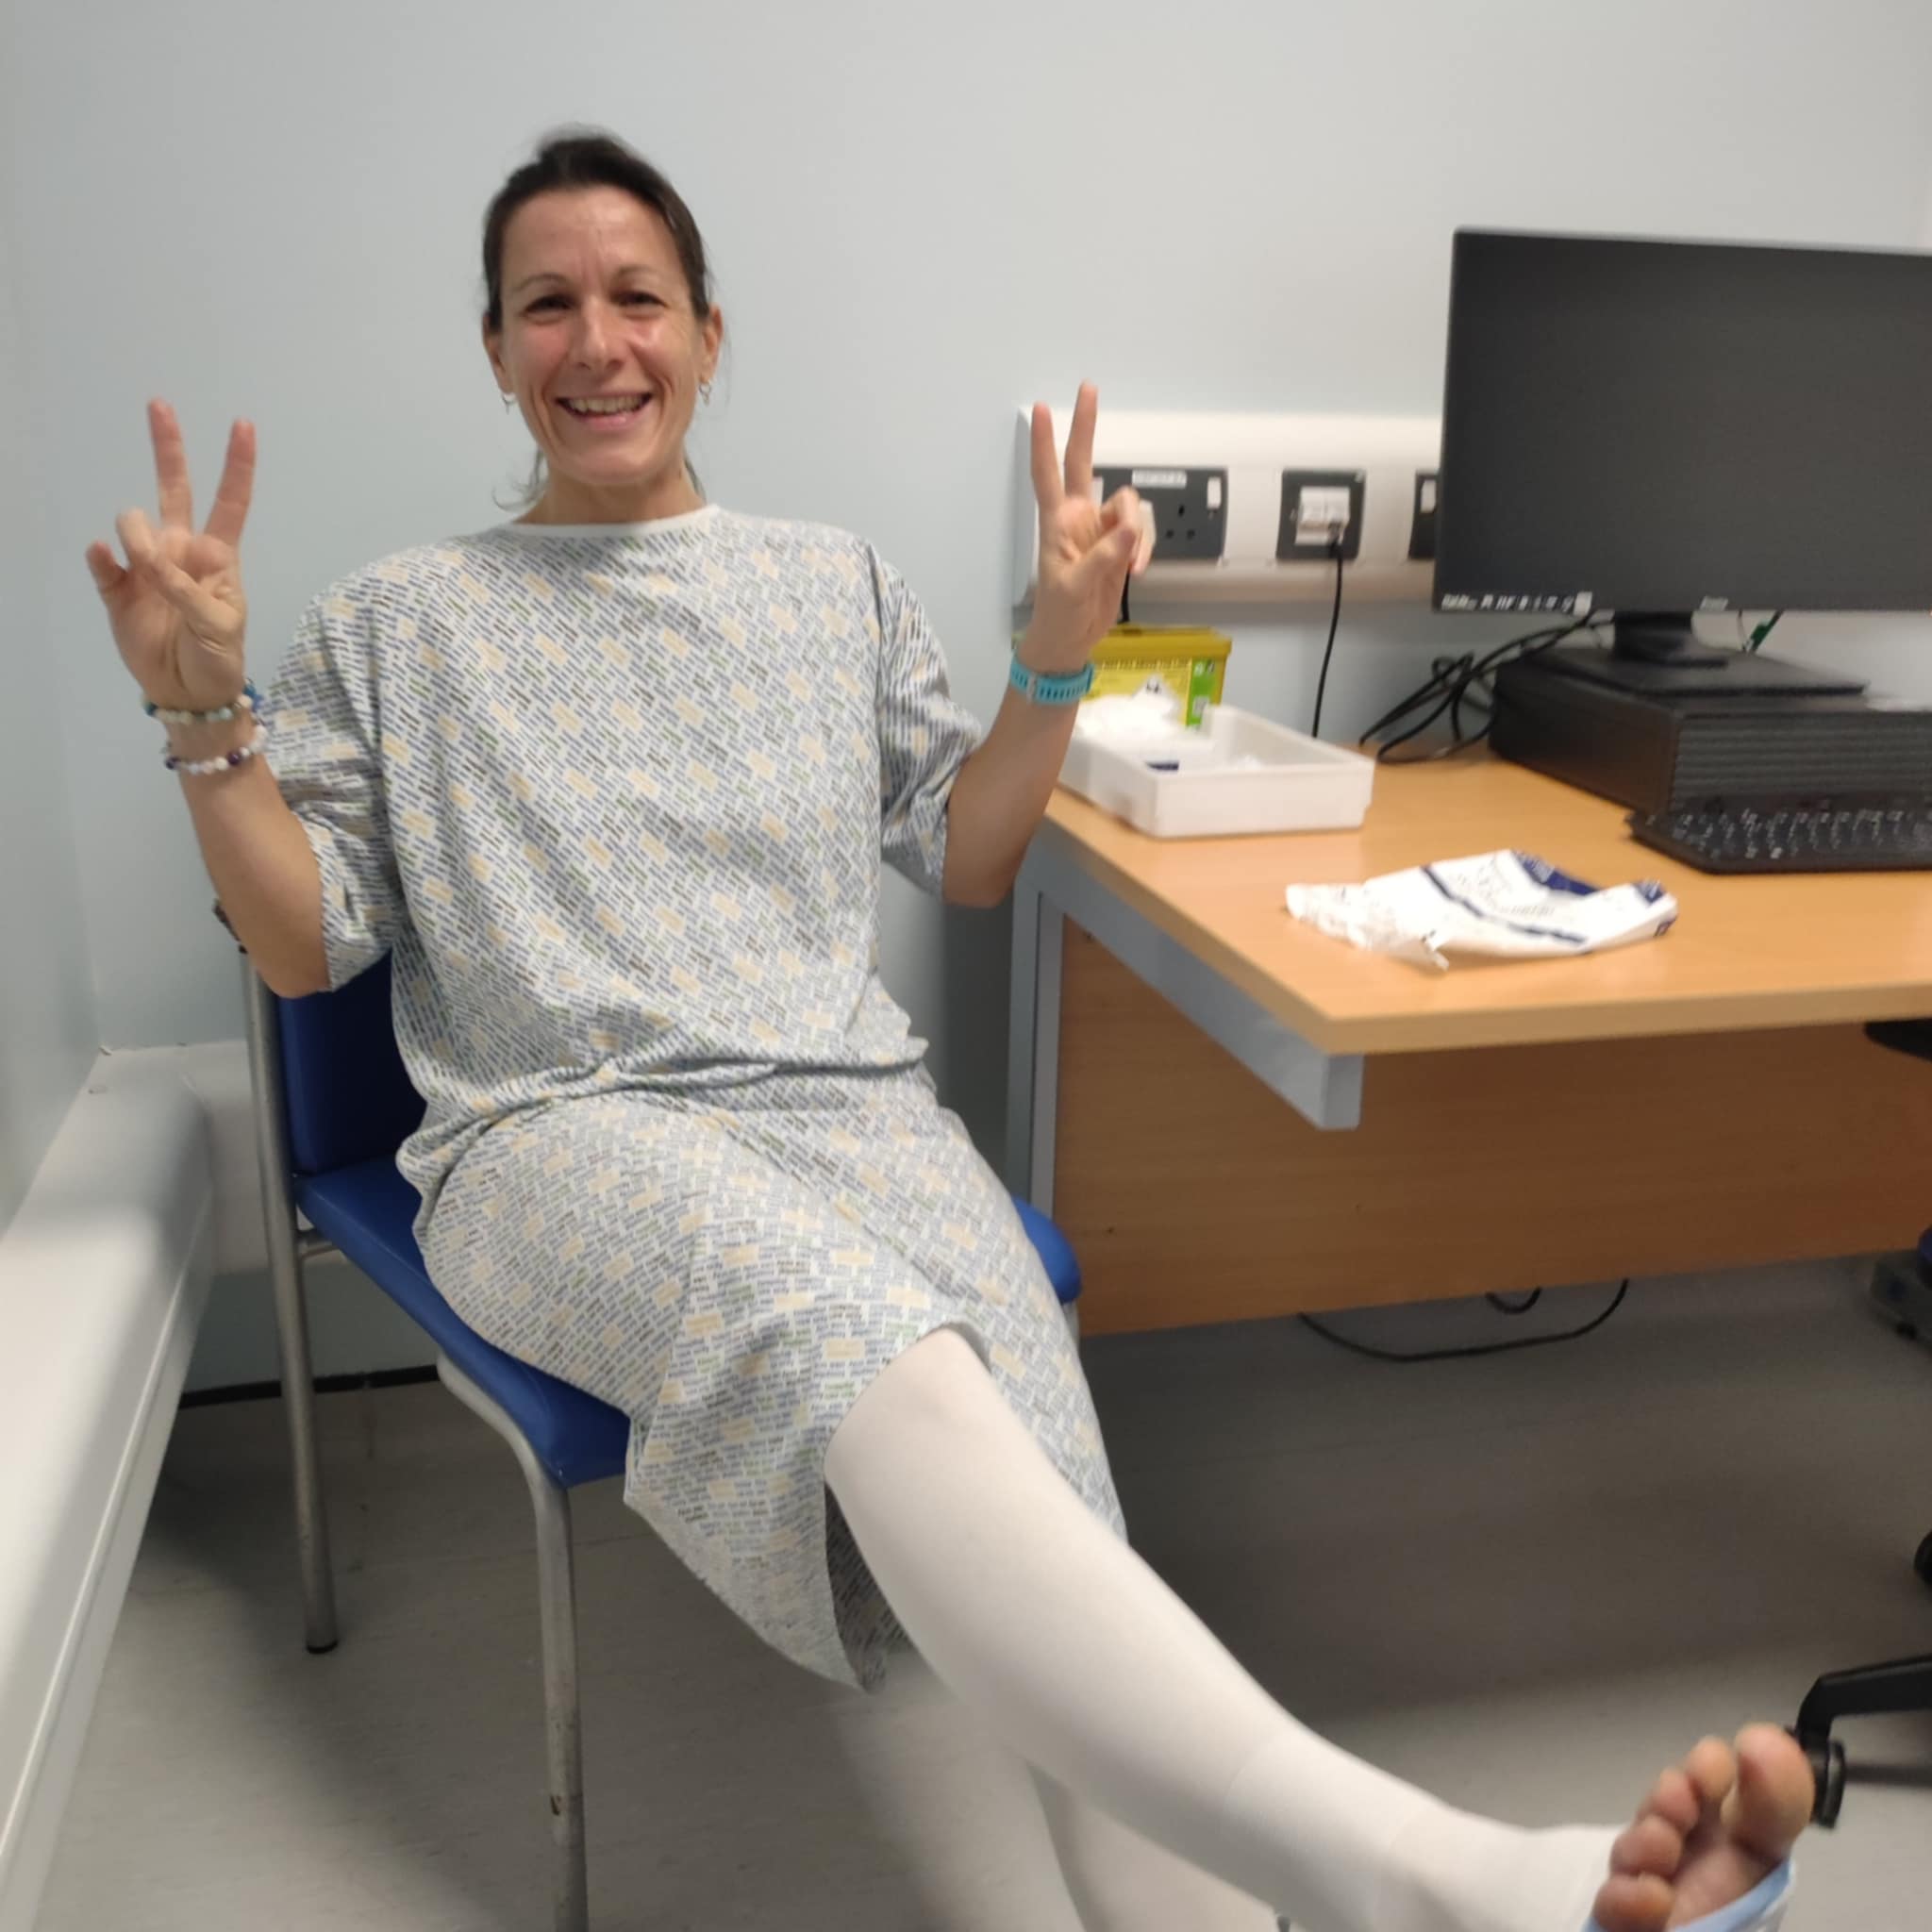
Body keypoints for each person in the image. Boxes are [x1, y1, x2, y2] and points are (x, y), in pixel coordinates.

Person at [89, 127, 1815, 1932]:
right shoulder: (396, 623)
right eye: (547, 305)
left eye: (637, 298)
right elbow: (304, 952)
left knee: (1053, 1474)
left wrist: (1055, 659)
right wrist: (206, 724)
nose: (596, 342)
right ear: (498, 350)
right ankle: (1443, 1879)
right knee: (870, 1336)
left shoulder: (829, 584)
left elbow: (971, 855)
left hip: (849, 1111)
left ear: (708, 334)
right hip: (556, 1131)